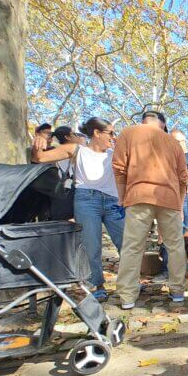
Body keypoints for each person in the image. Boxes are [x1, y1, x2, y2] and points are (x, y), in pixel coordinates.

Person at [31, 118, 124, 302]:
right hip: (86, 200)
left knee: (127, 242)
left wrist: (124, 146)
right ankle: (97, 286)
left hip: (114, 203)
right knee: (91, 245)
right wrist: (38, 143)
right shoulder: (77, 150)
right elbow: (39, 158)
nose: (113, 137)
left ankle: (129, 283)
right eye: (110, 133)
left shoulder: (116, 153)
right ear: (96, 133)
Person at [112, 110, 188, 309]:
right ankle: (178, 290)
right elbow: (183, 177)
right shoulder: (173, 142)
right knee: (175, 245)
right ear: (162, 124)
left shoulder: (128, 133)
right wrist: (180, 205)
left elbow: (119, 168)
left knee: (133, 246)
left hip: (138, 194)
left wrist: (122, 196)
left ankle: (127, 296)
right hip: (170, 198)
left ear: (143, 120)